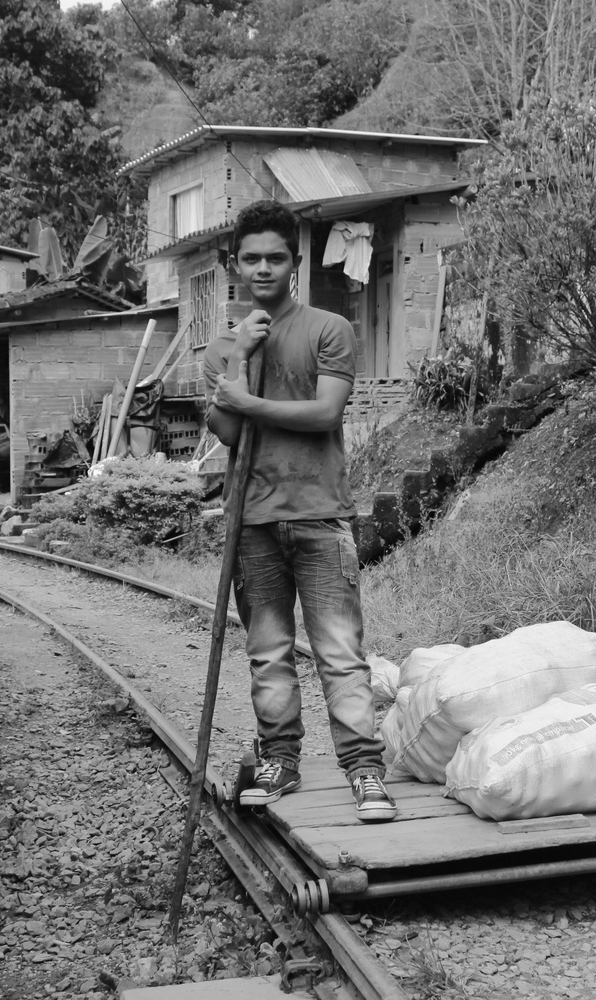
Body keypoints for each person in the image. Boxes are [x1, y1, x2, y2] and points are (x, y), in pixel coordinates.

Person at [203, 199, 397, 823]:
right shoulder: (221, 349)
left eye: (275, 257)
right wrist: (239, 358)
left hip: (319, 513)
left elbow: (324, 415)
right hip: (252, 518)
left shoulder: (329, 328)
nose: (263, 268)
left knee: (339, 651)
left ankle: (365, 771)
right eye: (251, 258)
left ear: (295, 262)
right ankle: (280, 760)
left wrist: (246, 399)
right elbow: (229, 432)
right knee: (269, 650)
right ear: (235, 265)